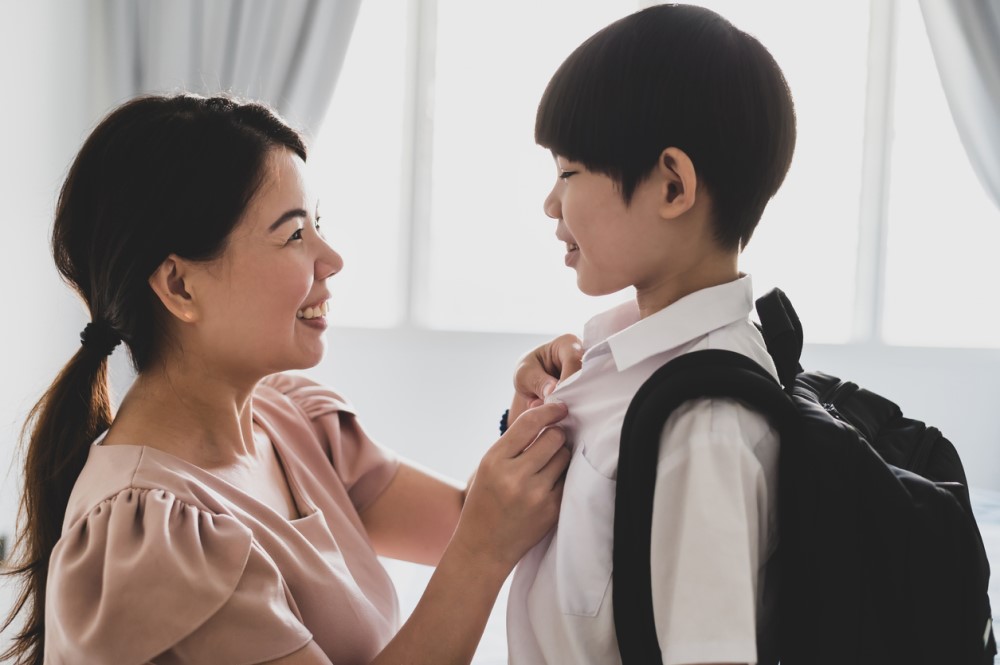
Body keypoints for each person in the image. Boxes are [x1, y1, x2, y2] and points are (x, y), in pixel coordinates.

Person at [1, 93, 580, 665]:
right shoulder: (152, 536)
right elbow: (476, 540)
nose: (332, 258)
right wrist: (480, 553)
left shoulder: (293, 420)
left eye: (318, 224)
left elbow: (468, 520)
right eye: (294, 234)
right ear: (180, 287)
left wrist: (530, 418)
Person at [505, 5, 796, 665]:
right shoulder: (638, 366)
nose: (551, 203)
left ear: (671, 184)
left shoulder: (704, 421)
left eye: (568, 172)